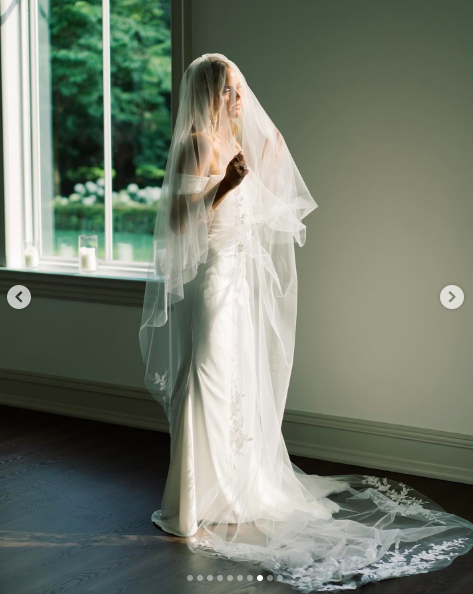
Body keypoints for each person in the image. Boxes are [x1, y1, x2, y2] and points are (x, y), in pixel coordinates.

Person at [139, 53, 473, 592]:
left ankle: (238, 488)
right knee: (205, 375)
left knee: (238, 382)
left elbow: (259, 210)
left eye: (239, 88)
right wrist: (224, 185)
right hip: (212, 282)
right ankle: (193, 499)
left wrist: (258, 172)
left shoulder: (235, 144)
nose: (239, 98)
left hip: (239, 282)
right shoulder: (198, 143)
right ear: (208, 95)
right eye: (228, 91)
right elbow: (179, 222)